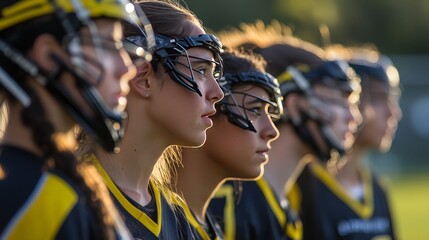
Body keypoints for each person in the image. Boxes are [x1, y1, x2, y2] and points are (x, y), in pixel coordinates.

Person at [0, 0, 153, 239]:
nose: (127, 68)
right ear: (48, 54)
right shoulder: (45, 200)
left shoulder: (62, 185)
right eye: (108, 46)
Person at [76, 0, 225, 239]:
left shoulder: (177, 217)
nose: (218, 93)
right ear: (144, 78)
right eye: (199, 70)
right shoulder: (69, 199)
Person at [290, 45, 401, 240]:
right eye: (379, 98)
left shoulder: (378, 189)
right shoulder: (299, 186)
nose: (393, 113)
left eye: (392, 99)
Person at [170, 49, 282, 239]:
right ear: (209, 108)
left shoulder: (204, 226)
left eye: (269, 113)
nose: (272, 131)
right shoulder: (163, 220)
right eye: (254, 110)